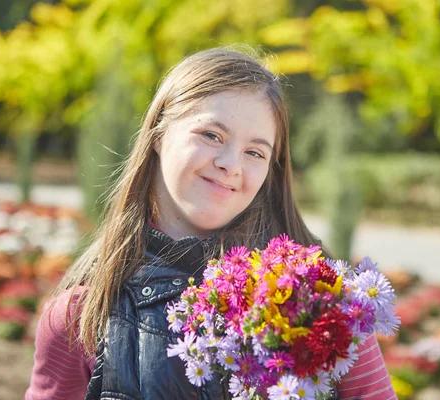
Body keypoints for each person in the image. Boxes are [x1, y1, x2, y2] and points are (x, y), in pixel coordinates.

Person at [26, 47, 398, 400]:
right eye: (211, 135)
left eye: (254, 152)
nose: (230, 164)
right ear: (158, 133)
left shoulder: (321, 303)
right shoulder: (80, 315)